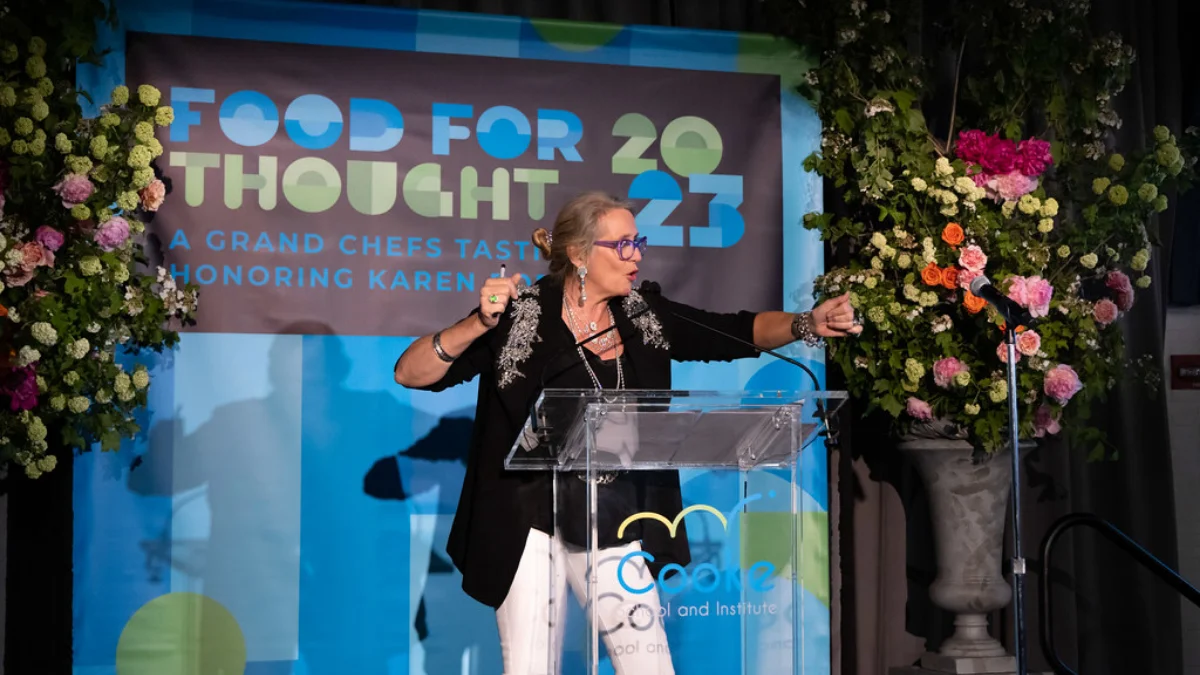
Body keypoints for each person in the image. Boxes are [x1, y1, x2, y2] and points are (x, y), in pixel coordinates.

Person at [394, 192, 860, 674]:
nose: (636, 254)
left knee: (647, 664)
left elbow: (735, 331)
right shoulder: (518, 315)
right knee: (531, 666)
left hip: (611, 516)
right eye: (622, 244)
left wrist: (808, 322)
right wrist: (478, 321)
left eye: (638, 242)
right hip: (524, 520)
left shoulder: (643, 315)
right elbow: (411, 373)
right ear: (579, 255)